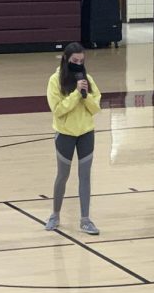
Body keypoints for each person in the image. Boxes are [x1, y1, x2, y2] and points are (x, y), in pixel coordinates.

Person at [45, 42, 102, 235]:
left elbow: (95, 108)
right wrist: (76, 94)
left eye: (81, 61)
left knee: (85, 176)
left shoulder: (88, 80)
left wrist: (85, 96)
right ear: (66, 59)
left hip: (86, 133)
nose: (78, 64)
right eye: (74, 61)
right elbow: (58, 110)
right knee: (63, 175)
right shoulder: (55, 80)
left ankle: (85, 219)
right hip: (65, 134)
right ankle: (55, 214)